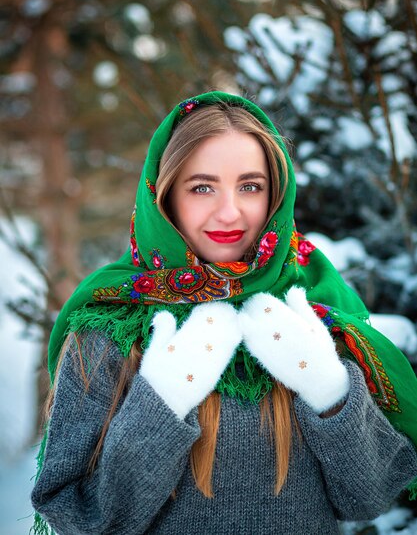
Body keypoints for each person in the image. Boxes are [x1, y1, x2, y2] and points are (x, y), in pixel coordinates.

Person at [31, 91, 417, 535]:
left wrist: (328, 389)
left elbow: (370, 495)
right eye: (202, 187)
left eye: (250, 186)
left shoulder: (312, 313)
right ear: (165, 196)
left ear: (276, 196)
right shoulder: (107, 328)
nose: (230, 211)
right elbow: (78, 516)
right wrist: (163, 400)